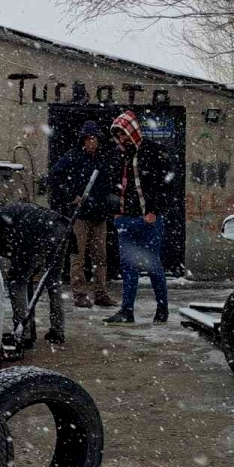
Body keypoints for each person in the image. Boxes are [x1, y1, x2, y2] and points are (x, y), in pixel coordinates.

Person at [103, 110, 173, 326]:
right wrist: (116, 212)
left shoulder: (154, 151)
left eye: (123, 133)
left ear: (132, 131)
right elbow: (113, 185)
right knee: (128, 267)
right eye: (117, 134)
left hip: (148, 220)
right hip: (125, 220)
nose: (121, 138)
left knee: (153, 266)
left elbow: (166, 184)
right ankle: (127, 311)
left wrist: (154, 211)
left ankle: (162, 308)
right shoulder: (117, 155)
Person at [47, 120, 116, 309]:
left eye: (94, 138)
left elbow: (110, 182)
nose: (92, 142)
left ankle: (100, 293)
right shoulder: (73, 157)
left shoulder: (103, 159)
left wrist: (108, 203)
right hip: (80, 216)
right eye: (88, 138)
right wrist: (71, 196)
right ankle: (79, 294)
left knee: (100, 257)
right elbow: (53, 177)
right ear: (83, 140)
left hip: (99, 215)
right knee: (78, 257)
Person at [0, 201, 70, 346]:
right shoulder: (2, 216)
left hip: (35, 230)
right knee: (54, 281)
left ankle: (23, 334)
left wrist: (23, 266)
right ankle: (57, 331)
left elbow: (0, 250)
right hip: (59, 225)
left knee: (17, 281)